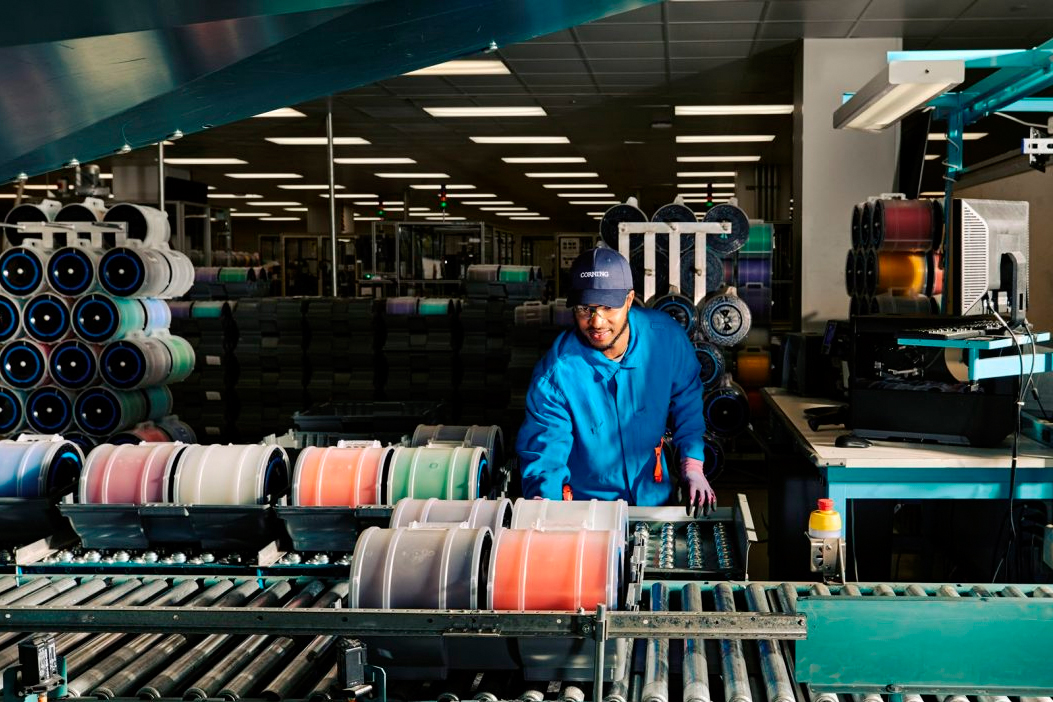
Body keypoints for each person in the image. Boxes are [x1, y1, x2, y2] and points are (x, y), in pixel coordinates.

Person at [516, 247, 716, 513]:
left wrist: (692, 465)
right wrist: (544, 503)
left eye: (608, 307)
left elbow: (687, 402)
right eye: (585, 309)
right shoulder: (556, 375)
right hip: (588, 510)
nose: (596, 322)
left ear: (630, 299)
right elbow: (546, 449)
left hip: (653, 497)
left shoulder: (665, 339)